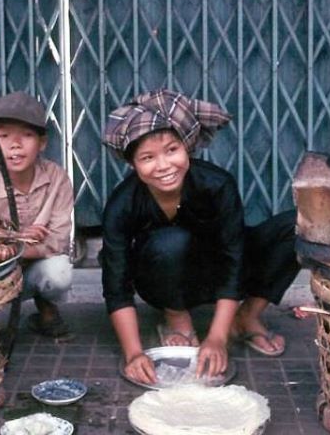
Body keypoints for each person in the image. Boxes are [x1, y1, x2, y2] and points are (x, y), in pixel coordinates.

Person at [99, 89, 299, 385]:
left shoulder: (218, 185)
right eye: (147, 157)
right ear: (132, 164)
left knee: (297, 227)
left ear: (187, 147)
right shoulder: (122, 203)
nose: (164, 165)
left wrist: (217, 338)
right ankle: (176, 318)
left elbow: (234, 256)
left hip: (219, 273)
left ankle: (245, 317)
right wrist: (133, 354)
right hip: (164, 280)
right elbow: (115, 285)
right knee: (171, 242)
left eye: (171, 150)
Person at [0, 91, 75, 341]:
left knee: (59, 272)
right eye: (3, 136)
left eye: (27, 135)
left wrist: (12, 247)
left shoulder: (57, 179)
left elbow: (57, 241)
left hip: (34, 268)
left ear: (42, 143)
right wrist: (16, 239)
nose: (15, 144)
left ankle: (45, 307)